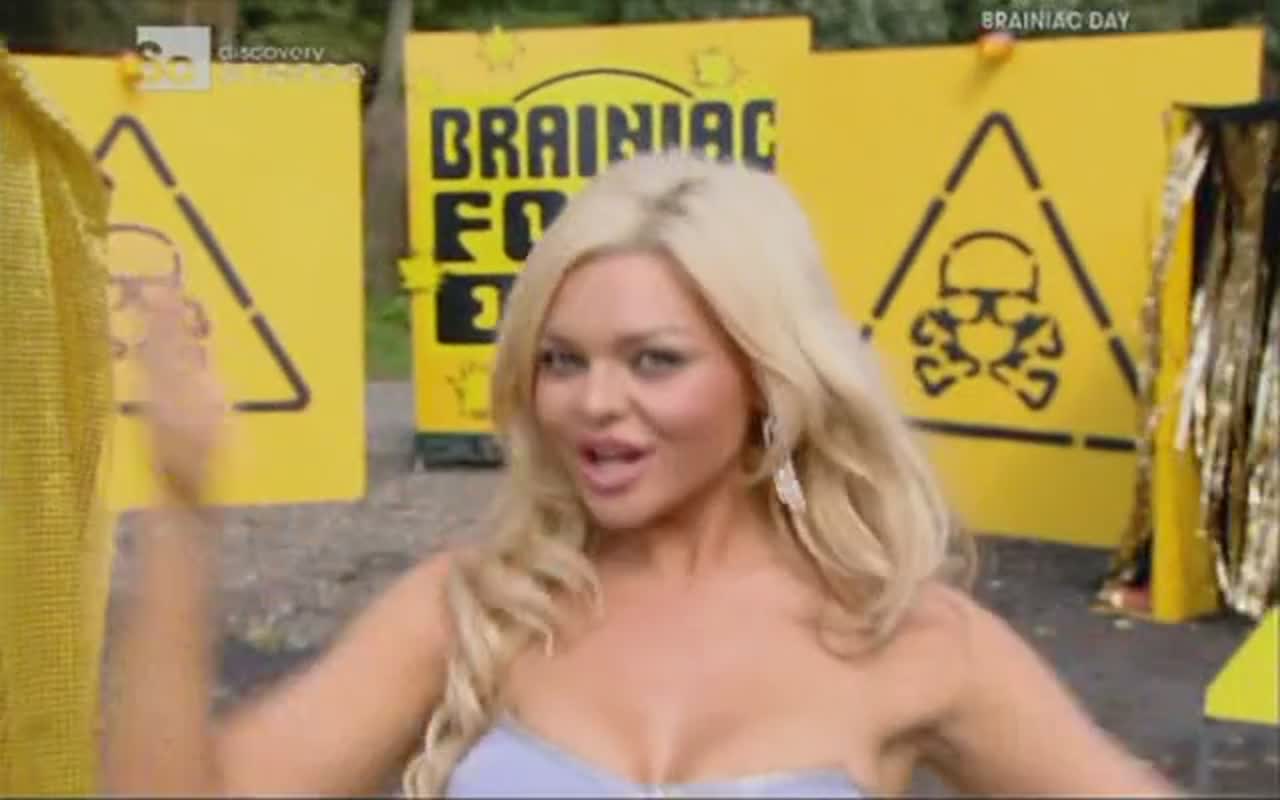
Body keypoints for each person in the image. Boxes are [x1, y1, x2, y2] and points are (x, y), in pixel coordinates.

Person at [105, 151, 1181, 798]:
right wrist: (183, 511)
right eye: (562, 360)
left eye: (654, 360)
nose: (593, 402)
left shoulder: (908, 637)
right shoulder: (474, 607)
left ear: (764, 376)